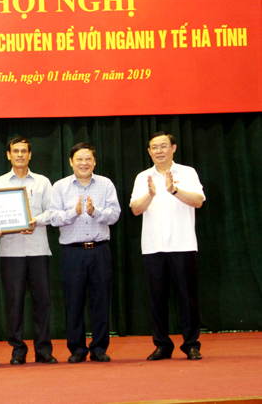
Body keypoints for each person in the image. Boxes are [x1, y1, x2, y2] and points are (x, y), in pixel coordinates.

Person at [130, 131, 205, 361]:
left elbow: (198, 201)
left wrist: (174, 190)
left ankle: (191, 344)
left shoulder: (188, 173)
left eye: (163, 146)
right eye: (154, 147)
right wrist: (151, 195)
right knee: (157, 299)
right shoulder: (143, 177)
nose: (159, 151)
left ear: (173, 148)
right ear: (149, 151)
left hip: (183, 244)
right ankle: (162, 345)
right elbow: (135, 209)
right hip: (153, 246)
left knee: (188, 298)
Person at [50, 142, 121, 363]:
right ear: (71, 162)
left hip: (100, 250)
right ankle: (77, 349)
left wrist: (94, 212)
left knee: (101, 301)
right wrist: (74, 212)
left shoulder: (105, 184)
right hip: (73, 252)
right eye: (79, 159)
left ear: (94, 162)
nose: (84, 163)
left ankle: (99, 348)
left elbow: (115, 214)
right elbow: (53, 218)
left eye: (88, 159)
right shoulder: (60, 186)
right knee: (74, 302)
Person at [0, 137, 57, 365]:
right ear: (8, 155)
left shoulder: (43, 182)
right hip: (11, 252)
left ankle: (43, 350)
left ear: (30, 155)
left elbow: (52, 212)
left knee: (42, 302)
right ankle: (17, 350)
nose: (19, 155)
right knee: (14, 303)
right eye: (15, 151)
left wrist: (35, 221)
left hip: (38, 250)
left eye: (24, 151)